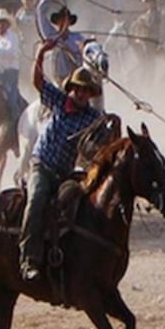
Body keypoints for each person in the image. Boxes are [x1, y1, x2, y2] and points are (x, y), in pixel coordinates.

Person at [18, 39, 102, 282]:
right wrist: (40, 53)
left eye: (86, 91)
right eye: (78, 89)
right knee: (36, 201)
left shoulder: (91, 117)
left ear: (90, 94)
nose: (81, 94)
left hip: (65, 173)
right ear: (71, 89)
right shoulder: (57, 100)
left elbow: (103, 133)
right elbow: (38, 82)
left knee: (83, 207)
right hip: (42, 166)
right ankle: (29, 259)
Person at [36, 0, 87, 87]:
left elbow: (84, 58)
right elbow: (40, 11)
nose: (64, 21)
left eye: (66, 19)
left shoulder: (77, 38)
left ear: (70, 22)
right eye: (61, 19)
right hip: (58, 81)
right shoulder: (51, 35)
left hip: (74, 82)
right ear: (57, 22)